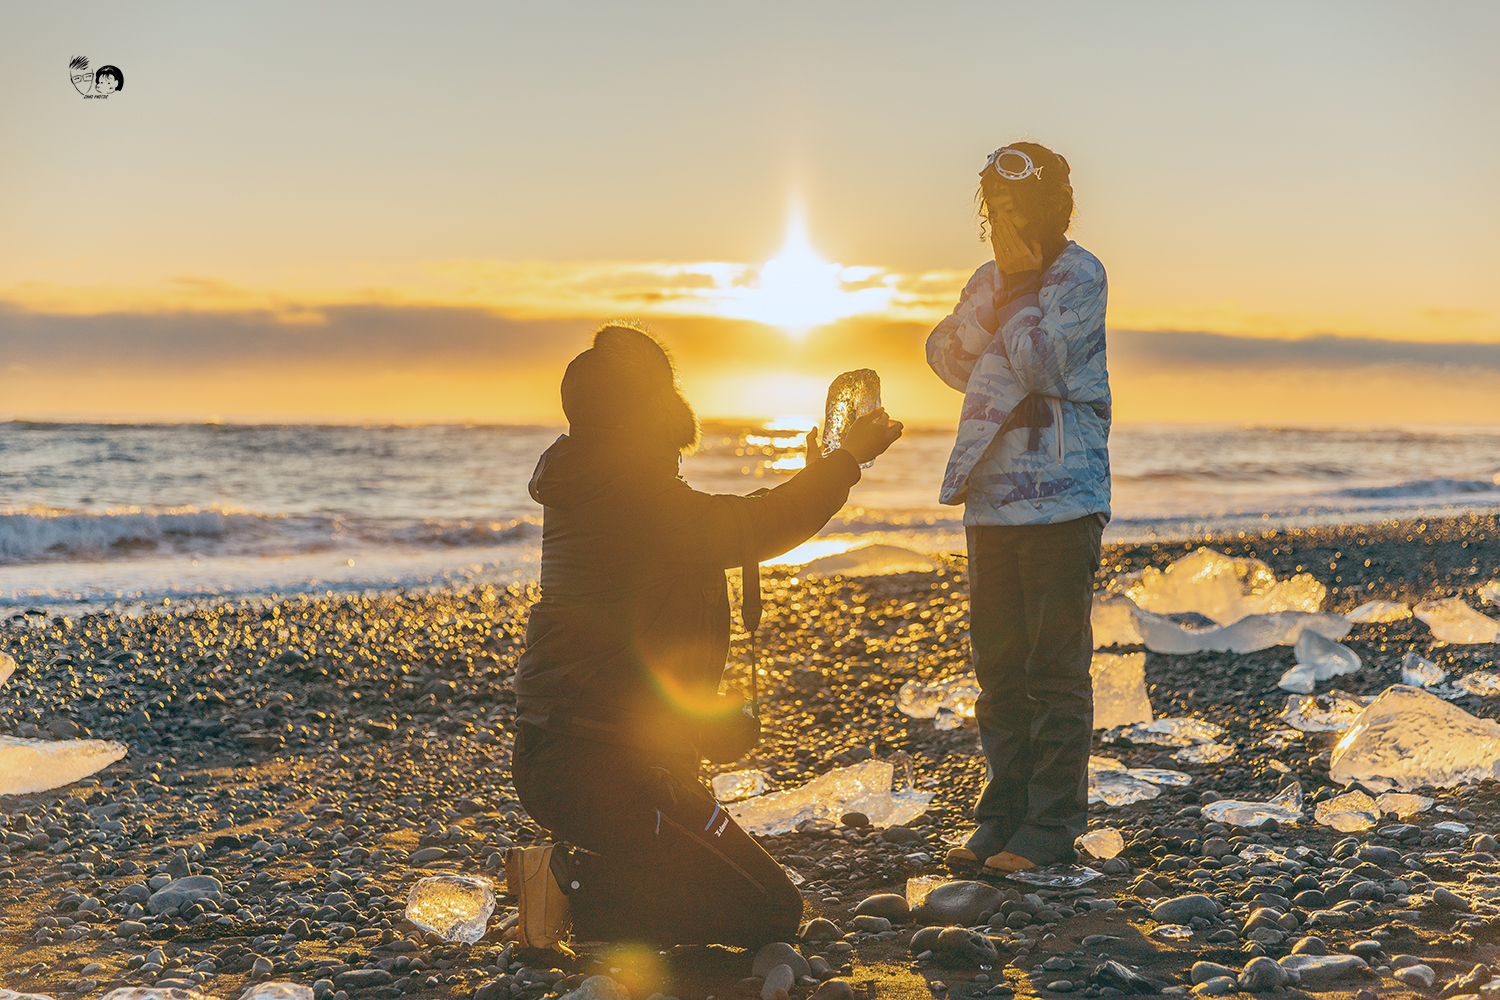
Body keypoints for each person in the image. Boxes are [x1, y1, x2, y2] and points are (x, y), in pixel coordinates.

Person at [509, 323, 902, 949]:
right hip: (602, 766)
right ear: (651, 414)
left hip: (574, 755)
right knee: (767, 911)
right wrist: (844, 462)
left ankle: (583, 879)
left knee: (724, 888)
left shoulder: (599, 486)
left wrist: (701, 724)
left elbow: (640, 650)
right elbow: (751, 525)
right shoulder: (632, 496)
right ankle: (567, 890)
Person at [925, 142, 1110, 873]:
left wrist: (1025, 287)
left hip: (1063, 503)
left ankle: (1052, 826)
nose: (1003, 227)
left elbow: (1045, 364)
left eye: (1016, 212)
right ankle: (1002, 813)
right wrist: (1003, 294)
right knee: (998, 669)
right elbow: (945, 356)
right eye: (993, 213)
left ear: (1051, 211)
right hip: (991, 504)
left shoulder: (1079, 276)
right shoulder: (989, 280)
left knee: (1054, 669)